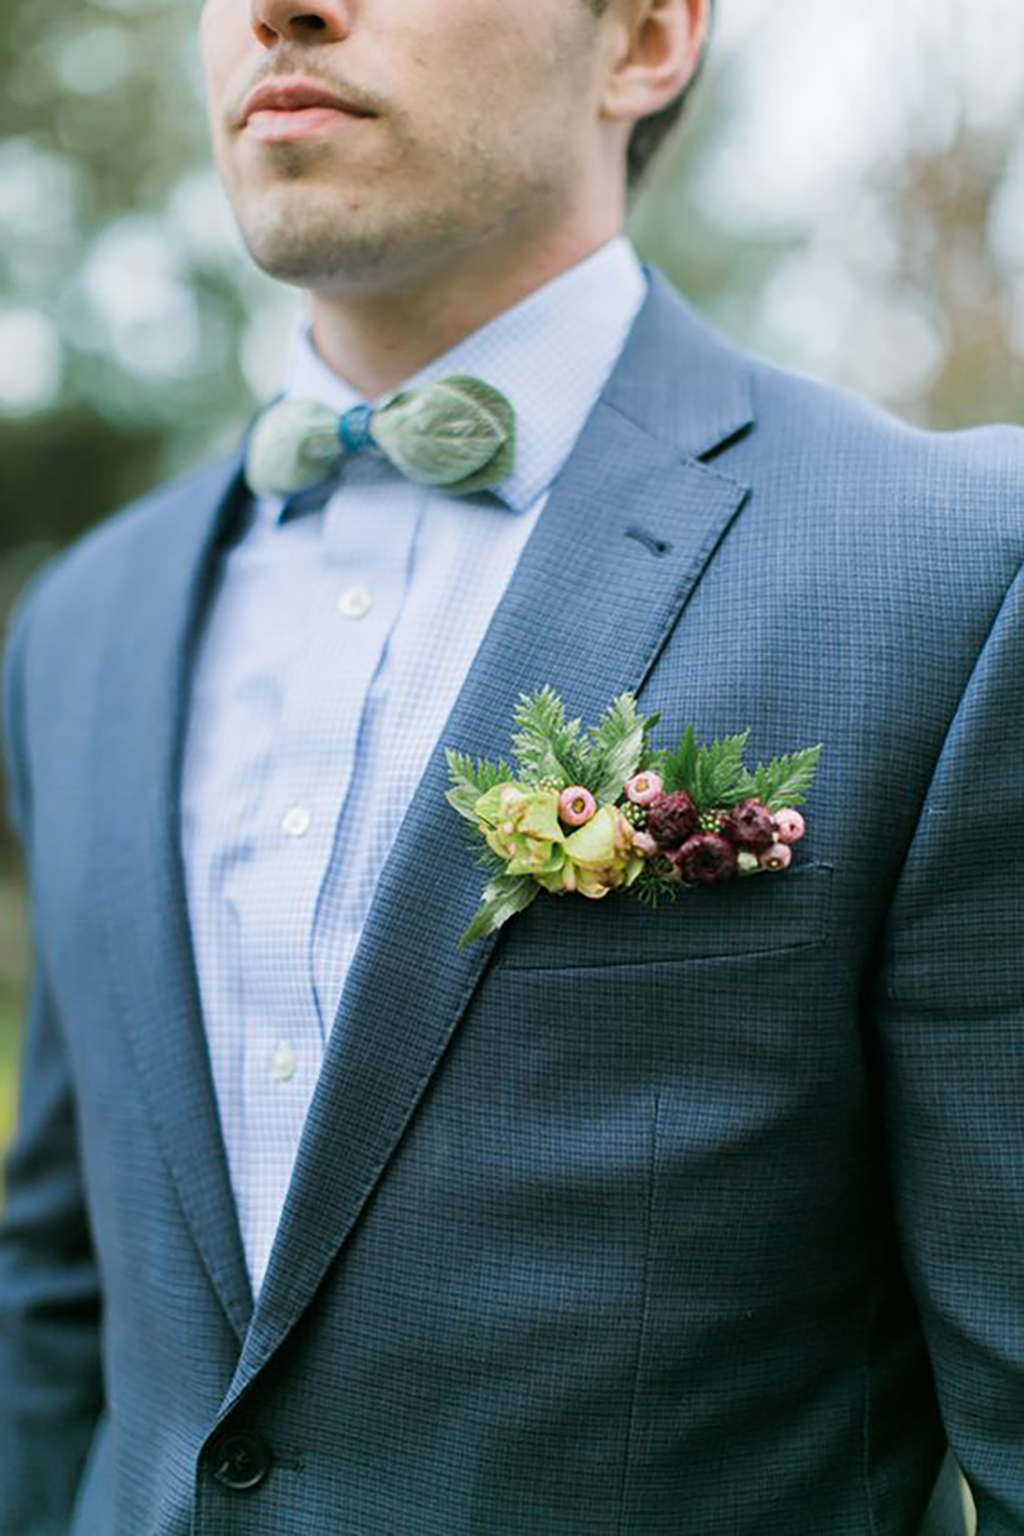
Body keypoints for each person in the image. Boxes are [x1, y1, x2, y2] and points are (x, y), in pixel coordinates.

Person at [1, 0, 1022, 1529]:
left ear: (647, 42)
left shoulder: (943, 577)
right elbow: (58, 1303)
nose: (283, 9)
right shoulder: (83, 625)